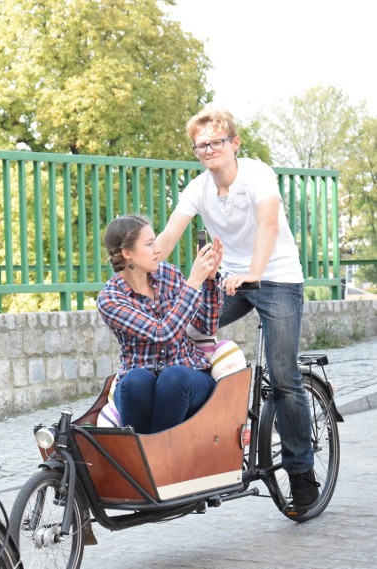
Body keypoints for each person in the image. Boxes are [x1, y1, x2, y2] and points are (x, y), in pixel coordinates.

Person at [155, 108, 320, 513]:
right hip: (229, 280)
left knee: (283, 375)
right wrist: (136, 271)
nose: (209, 149)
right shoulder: (198, 188)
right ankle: (207, 429)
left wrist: (253, 272)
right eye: (201, 145)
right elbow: (168, 237)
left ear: (234, 144)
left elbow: (267, 225)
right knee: (183, 330)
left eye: (216, 142)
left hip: (275, 276)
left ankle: (301, 474)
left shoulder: (257, 174)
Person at [97, 214, 223, 434]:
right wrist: (193, 283)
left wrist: (210, 281)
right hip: (139, 379)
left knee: (174, 377)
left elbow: (206, 326)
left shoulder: (169, 275)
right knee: (134, 380)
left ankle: (154, 453)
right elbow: (162, 333)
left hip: (188, 374)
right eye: (149, 244)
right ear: (127, 253)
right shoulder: (111, 299)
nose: (158, 249)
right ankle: (145, 456)